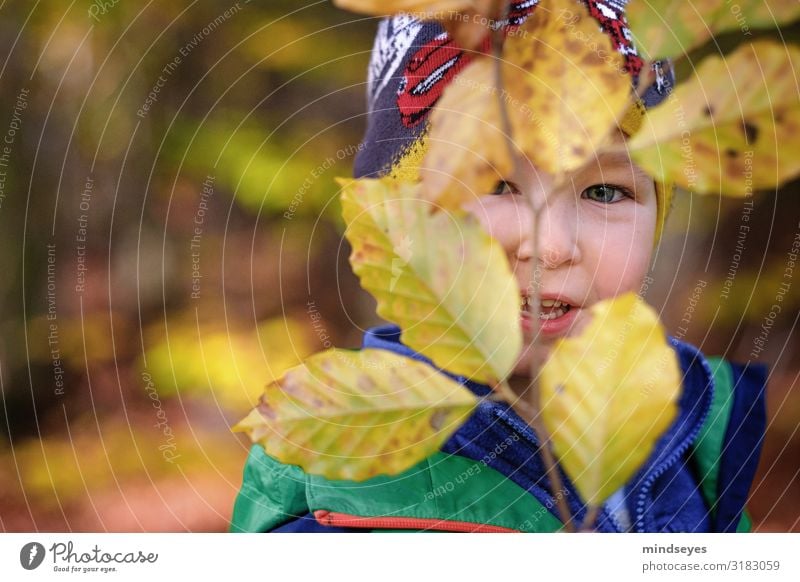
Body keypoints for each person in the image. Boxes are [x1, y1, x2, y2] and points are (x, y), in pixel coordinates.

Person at [230, 0, 767, 533]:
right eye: (495, 183)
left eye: (606, 190)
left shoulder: (700, 444)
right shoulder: (341, 499)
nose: (551, 246)